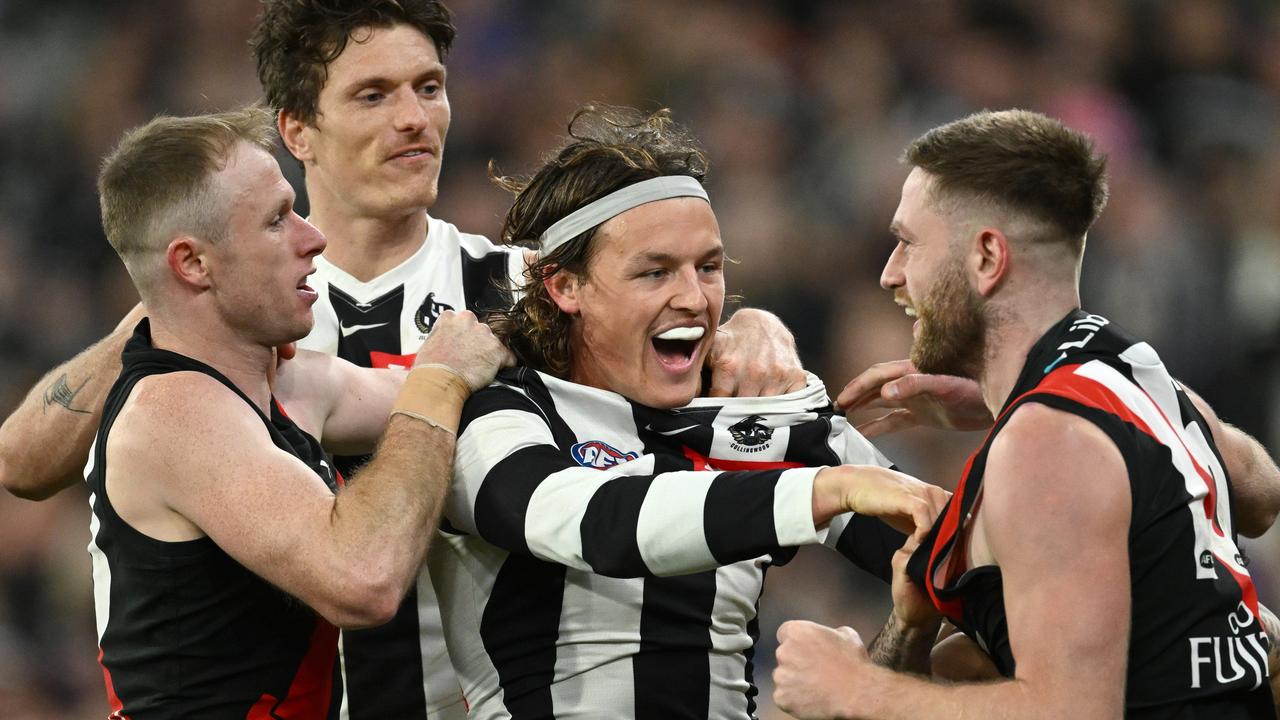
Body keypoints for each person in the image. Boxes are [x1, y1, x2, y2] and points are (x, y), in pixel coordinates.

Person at [0, 2, 805, 717]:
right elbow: (23, 462)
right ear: (296, 130)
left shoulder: (523, 291)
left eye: (429, 86)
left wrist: (754, 328)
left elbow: (678, 321)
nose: (415, 118)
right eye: (374, 95)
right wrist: (151, 317)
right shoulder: (231, 321)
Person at [429, 105, 948, 720]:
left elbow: (951, 556)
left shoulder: (756, 412)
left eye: (708, 267)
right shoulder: (499, 414)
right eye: (655, 272)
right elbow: (597, 526)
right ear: (563, 286)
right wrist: (824, 487)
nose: (694, 298)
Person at [771, 109, 1278, 719]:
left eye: (908, 242)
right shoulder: (1132, 380)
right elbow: (1260, 491)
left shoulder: (1049, 443)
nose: (890, 273)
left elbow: (1072, 711)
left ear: (987, 256)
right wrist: (1004, 402)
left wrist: (851, 688)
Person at [87, 105, 511, 717]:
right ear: (193, 264)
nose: (314, 239)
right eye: (277, 221)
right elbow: (364, 577)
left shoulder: (289, 383)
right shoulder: (173, 414)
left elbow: (471, 382)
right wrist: (441, 381)